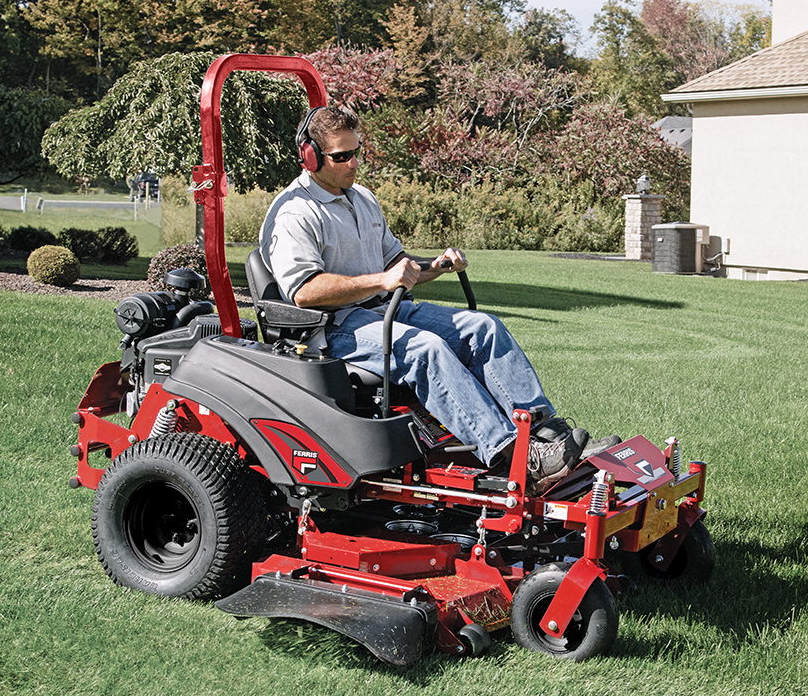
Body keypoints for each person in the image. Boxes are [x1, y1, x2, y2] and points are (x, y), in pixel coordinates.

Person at [259, 105, 617, 491]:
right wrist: (382, 280)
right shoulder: (295, 213)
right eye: (342, 156)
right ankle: (514, 456)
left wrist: (435, 266)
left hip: (384, 309)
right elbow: (305, 292)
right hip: (334, 329)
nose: (353, 163)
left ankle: (547, 438)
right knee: (425, 349)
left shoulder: (361, 198)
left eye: (357, 151)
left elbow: (397, 264)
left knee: (483, 328)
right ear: (310, 156)